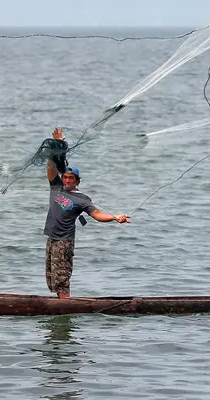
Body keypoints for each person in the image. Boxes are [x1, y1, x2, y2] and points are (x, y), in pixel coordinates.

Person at [44, 127, 130, 299]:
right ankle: (60, 304)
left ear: (77, 181)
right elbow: (50, 166)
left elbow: (97, 215)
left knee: (62, 277)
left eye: (71, 178)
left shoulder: (82, 199)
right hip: (51, 239)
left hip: (64, 242)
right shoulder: (56, 186)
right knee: (52, 278)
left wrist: (114, 217)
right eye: (66, 177)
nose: (67, 180)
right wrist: (57, 144)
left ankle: (65, 305)